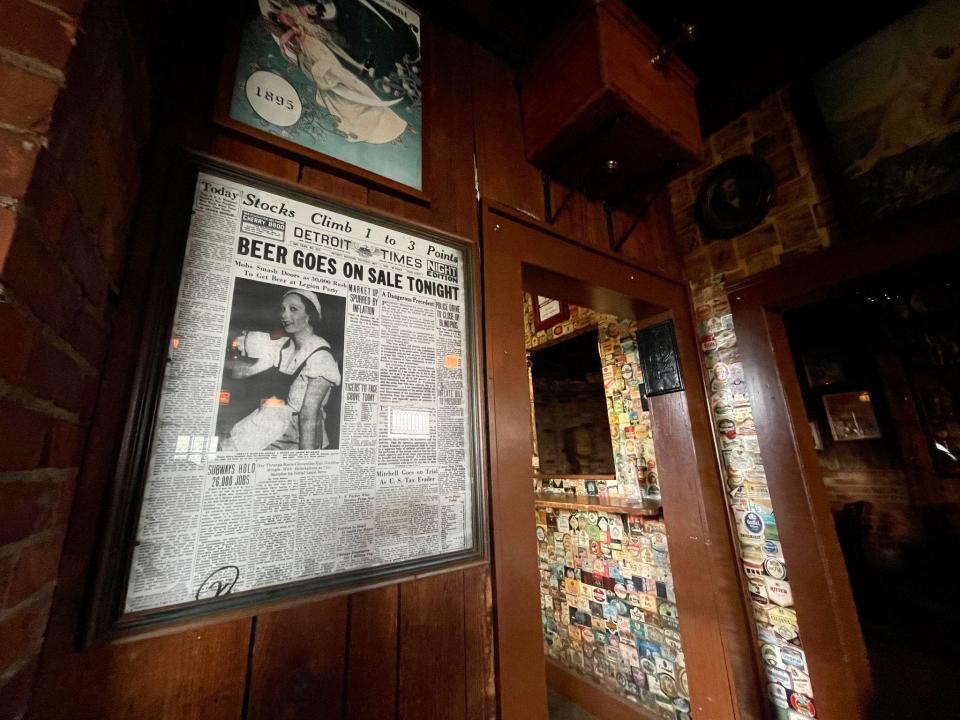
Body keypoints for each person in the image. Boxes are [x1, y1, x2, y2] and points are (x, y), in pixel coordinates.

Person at [221, 288, 341, 451]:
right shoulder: (285, 346)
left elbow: (308, 419)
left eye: (293, 309)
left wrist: (307, 463)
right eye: (283, 309)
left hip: (296, 436)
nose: (284, 315)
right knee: (228, 444)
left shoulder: (320, 358)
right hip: (276, 421)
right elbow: (238, 368)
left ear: (309, 316)